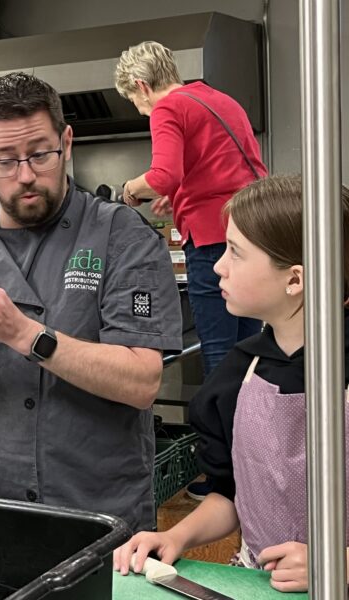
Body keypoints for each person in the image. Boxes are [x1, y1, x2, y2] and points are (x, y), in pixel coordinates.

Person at [0, 72, 182, 531]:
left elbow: (141, 381)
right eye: (6, 161)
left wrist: (24, 333)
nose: (27, 175)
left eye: (40, 154)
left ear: (67, 142)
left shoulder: (121, 236)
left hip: (98, 515)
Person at [113, 175, 349, 593]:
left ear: (295, 280)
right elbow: (231, 494)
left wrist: (337, 563)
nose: (218, 265)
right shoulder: (237, 374)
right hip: (256, 584)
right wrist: (176, 537)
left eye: (235, 253)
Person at [115, 41, 268, 377]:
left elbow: (162, 176)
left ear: (141, 86)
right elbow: (231, 170)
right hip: (254, 237)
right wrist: (183, 193)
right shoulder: (221, 100)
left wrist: (129, 189)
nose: (140, 109)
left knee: (218, 353)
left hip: (213, 242)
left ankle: (219, 430)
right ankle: (246, 430)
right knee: (247, 351)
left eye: (134, 101)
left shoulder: (167, 108)